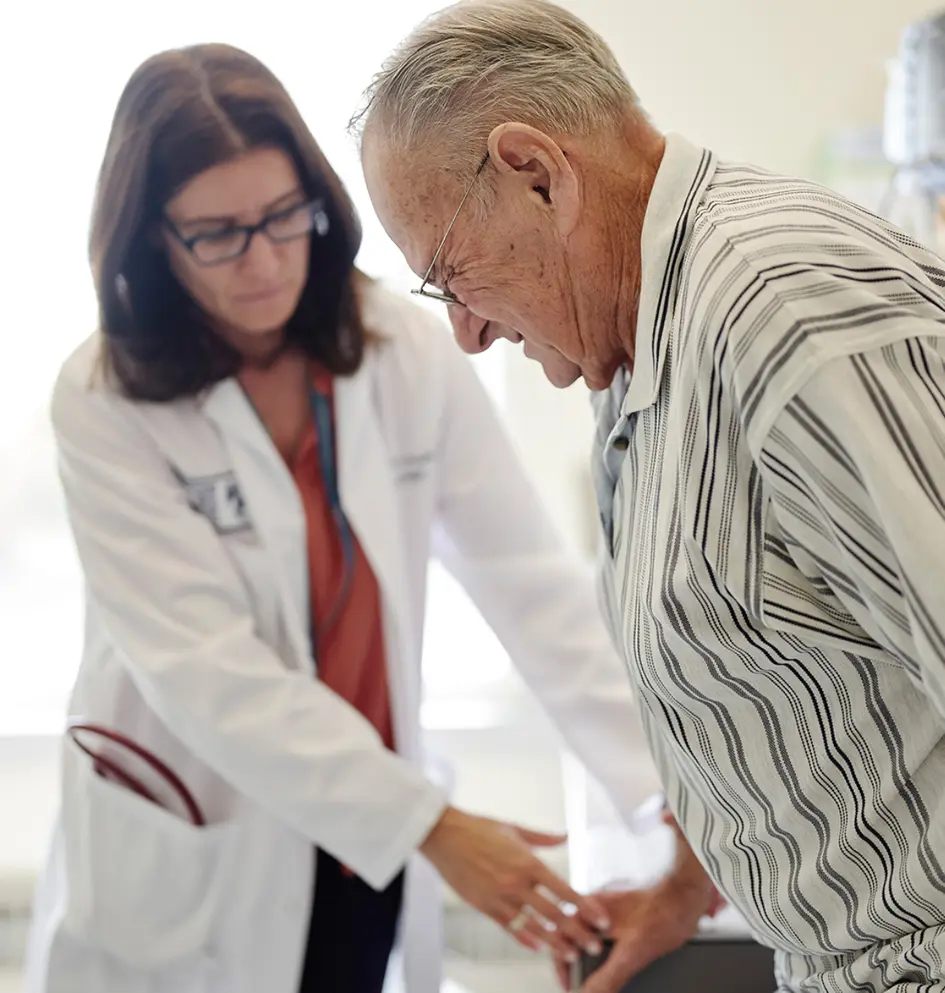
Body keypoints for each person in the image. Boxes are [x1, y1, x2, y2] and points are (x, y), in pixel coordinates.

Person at [23, 42, 658, 993]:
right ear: (152, 236)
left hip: (364, 838)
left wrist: (664, 798)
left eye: (285, 217)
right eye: (218, 233)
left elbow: (531, 586)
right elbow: (207, 669)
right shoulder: (104, 398)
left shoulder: (402, 347)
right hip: (200, 838)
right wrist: (434, 826)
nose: (265, 259)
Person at [355, 2, 945, 992]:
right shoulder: (636, 338)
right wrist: (690, 880)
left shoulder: (789, 323)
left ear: (538, 174)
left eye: (451, 278)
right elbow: (788, 667)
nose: (466, 333)